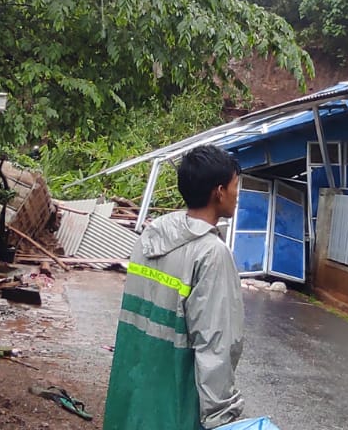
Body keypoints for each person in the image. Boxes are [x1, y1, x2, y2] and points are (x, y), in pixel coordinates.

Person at [103, 145, 245, 430]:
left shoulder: (150, 236)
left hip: (133, 389)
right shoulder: (211, 254)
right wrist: (221, 416)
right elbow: (215, 344)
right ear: (219, 192)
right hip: (176, 399)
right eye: (234, 186)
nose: (237, 194)